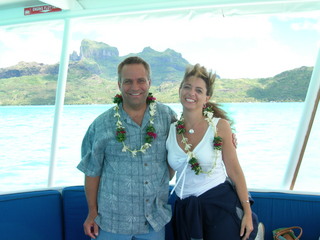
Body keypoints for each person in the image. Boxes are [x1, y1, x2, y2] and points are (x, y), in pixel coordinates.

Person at [77, 56, 177, 240]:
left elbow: (186, 142)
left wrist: (224, 133)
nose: (135, 87)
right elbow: (92, 171)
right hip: (112, 221)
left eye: (141, 80)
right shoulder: (101, 124)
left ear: (149, 82)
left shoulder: (166, 116)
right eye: (128, 82)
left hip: (153, 220)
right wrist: (92, 213)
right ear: (119, 84)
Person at [166, 64, 259, 240]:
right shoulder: (170, 130)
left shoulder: (219, 127)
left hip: (218, 204)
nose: (191, 93)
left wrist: (247, 212)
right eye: (187, 87)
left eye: (199, 90)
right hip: (185, 210)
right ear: (179, 91)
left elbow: (235, 171)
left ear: (206, 98)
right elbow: (168, 173)